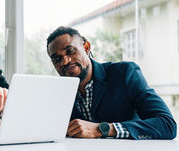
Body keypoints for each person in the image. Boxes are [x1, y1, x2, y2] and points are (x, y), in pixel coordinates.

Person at [46, 26, 176, 140]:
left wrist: (102, 129)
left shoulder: (125, 73)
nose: (65, 61)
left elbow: (167, 125)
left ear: (86, 47)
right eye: (57, 59)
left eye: (70, 51)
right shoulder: (57, 93)